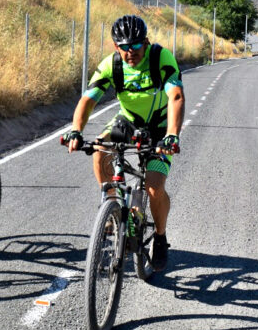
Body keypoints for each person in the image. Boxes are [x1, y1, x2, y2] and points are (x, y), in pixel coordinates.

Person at [64, 14, 184, 271]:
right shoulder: (112, 64)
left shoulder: (161, 58)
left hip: (160, 128)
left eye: (136, 45)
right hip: (128, 121)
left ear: (146, 42)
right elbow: (88, 99)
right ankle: (110, 205)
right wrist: (76, 130)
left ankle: (160, 237)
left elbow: (175, 96)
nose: (131, 51)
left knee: (154, 188)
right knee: (99, 147)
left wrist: (172, 134)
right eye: (124, 46)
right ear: (115, 46)